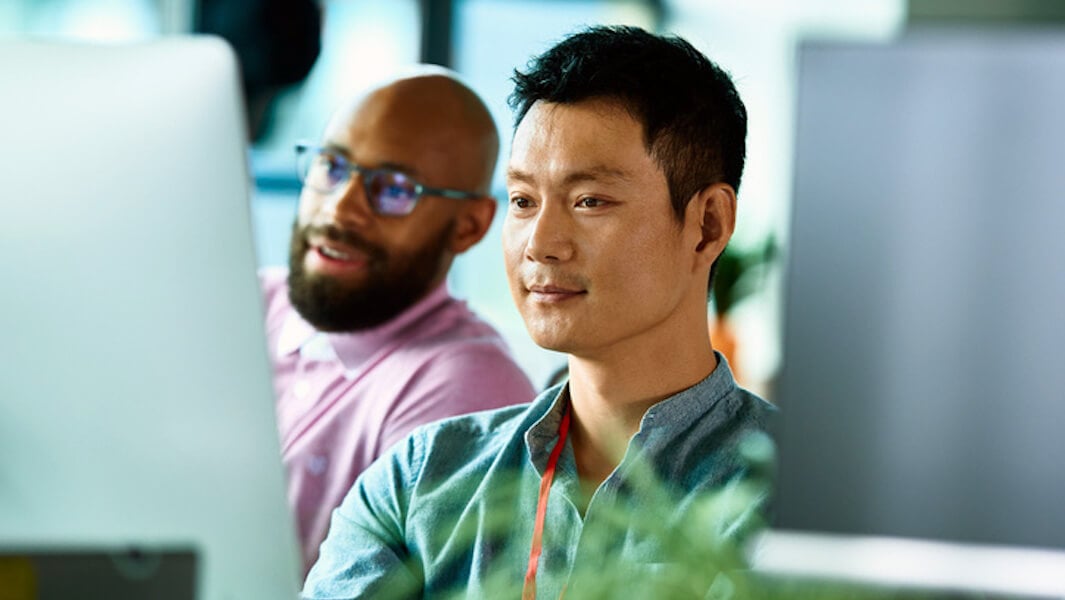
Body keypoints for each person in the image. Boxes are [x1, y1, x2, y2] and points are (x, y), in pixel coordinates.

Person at [302, 26, 776, 599]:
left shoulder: (803, 503)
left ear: (707, 225)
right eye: (524, 201)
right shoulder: (418, 481)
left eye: (589, 202)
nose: (541, 242)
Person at [260, 67, 536, 575]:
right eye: (332, 167)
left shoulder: (465, 387)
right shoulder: (250, 301)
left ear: (469, 226)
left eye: (393, 189)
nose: (340, 208)